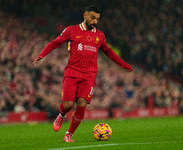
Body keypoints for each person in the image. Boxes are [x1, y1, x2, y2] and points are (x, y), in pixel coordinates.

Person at [33, 5, 133, 142]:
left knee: (82, 104)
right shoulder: (71, 30)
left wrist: (124, 65)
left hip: (89, 75)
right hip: (72, 72)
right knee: (68, 105)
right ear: (85, 16)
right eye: (93, 18)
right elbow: (55, 43)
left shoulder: (100, 35)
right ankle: (61, 115)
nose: (95, 22)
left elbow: (109, 52)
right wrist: (41, 55)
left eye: (97, 19)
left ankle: (69, 134)